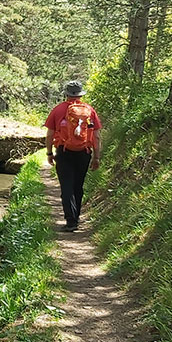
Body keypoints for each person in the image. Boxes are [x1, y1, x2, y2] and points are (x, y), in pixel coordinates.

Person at [44, 80, 102, 232]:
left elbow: (49, 135)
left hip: (64, 152)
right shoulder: (89, 110)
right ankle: (76, 218)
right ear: (81, 94)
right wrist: (96, 157)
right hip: (84, 153)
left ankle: (71, 221)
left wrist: (49, 153)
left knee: (66, 186)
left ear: (66, 94)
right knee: (78, 185)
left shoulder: (57, 110)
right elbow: (96, 136)